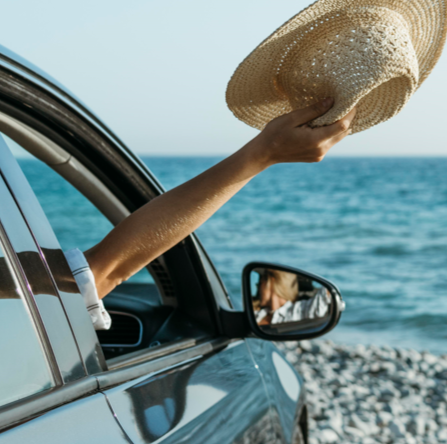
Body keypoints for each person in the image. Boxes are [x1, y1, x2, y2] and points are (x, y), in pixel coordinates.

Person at [67, 98, 354, 330]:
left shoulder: (38, 286)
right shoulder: (46, 294)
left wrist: (266, 152)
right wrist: (264, 153)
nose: (267, 298)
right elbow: (102, 272)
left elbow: (99, 273)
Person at [252, 268, 332, 327]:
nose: (257, 287)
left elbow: (320, 303)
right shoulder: (259, 313)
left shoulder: (295, 311)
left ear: (271, 282)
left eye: (260, 282)